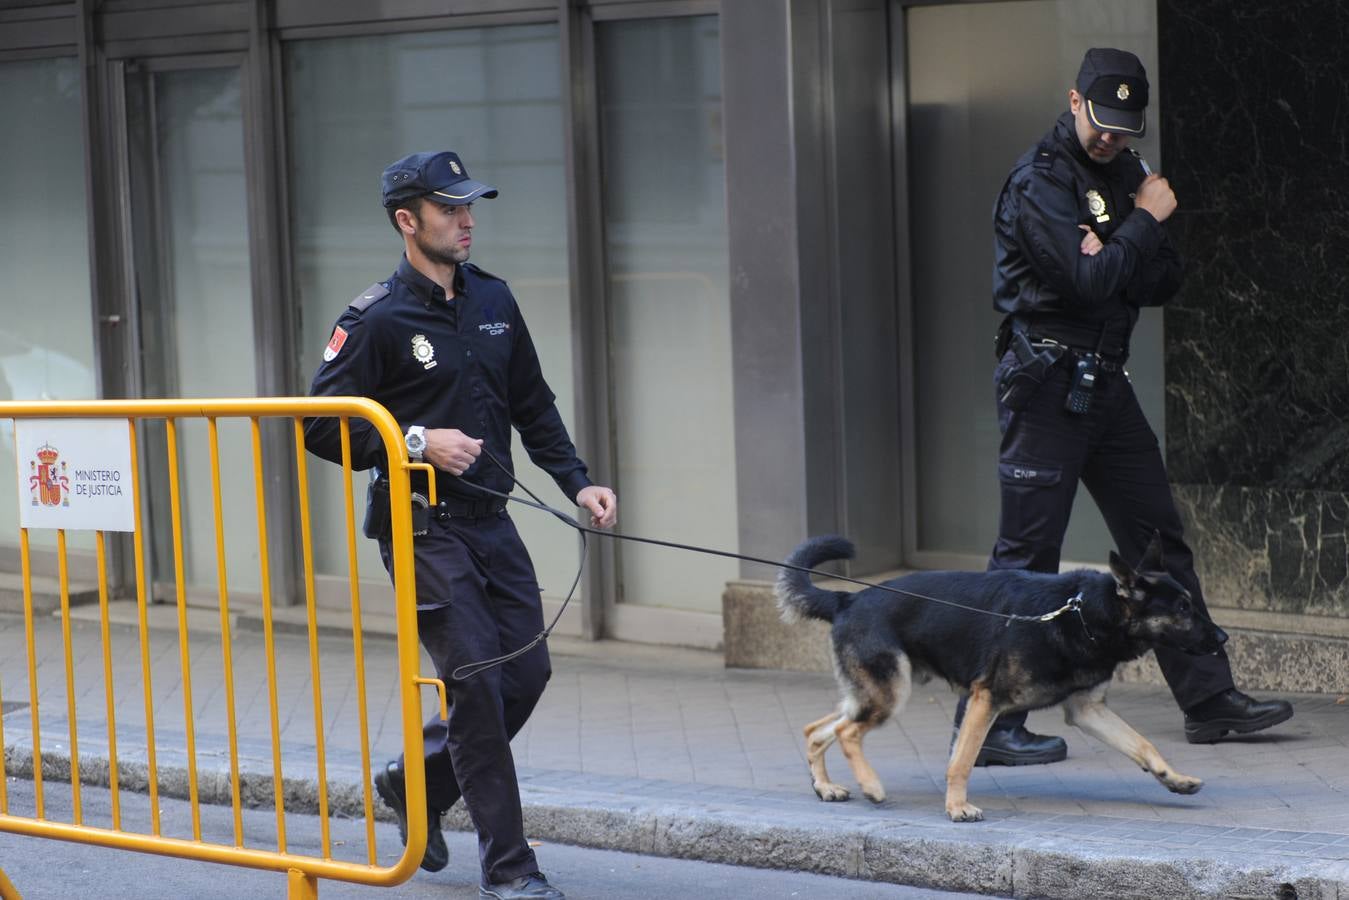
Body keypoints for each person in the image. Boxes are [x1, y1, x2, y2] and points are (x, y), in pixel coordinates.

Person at [964, 48, 1294, 766]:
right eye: (1100, 121)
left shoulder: (1122, 175)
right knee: (1025, 559)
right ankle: (989, 724)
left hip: (1104, 386)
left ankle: (1208, 702)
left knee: (1158, 542)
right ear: (1073, 100)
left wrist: (1117, 244)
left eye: (1123, 126)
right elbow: (1088, 283)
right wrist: (1136, 226)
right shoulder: (1039, 183)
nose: (1110, 137)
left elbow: (1161, 278)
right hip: (1045, 382)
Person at [304, 150, 616, 900]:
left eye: (470, 207)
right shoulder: (375, 316)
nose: (466, 220)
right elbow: (320, 427)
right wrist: (415, 441)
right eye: (449, 209)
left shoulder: (495, 300)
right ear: (408, 221)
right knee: (475, 687)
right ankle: (511, 871)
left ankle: (416, 781)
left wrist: (579, 482)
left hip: (492, 521)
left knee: (527, 674)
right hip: (421, 530)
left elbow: (533, 405)